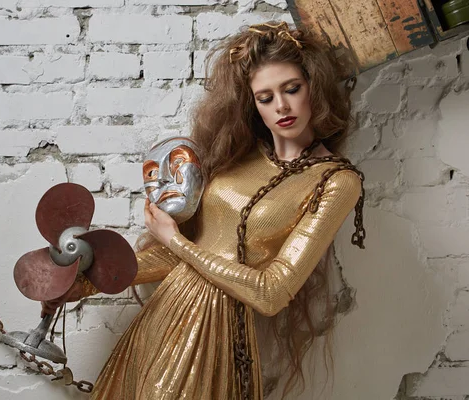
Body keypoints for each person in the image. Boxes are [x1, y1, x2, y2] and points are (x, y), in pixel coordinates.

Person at [42, 21, 365, 399]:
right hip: (163, 318)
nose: (282, 106)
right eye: (265, 97)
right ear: (252, 104)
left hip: (218, 335)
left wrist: (176, 242)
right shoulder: (239, 155)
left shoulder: (336, 181)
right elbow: (176, 254)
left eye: (292, 89)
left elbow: (272, 292)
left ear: (315, 87)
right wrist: (84, 282)